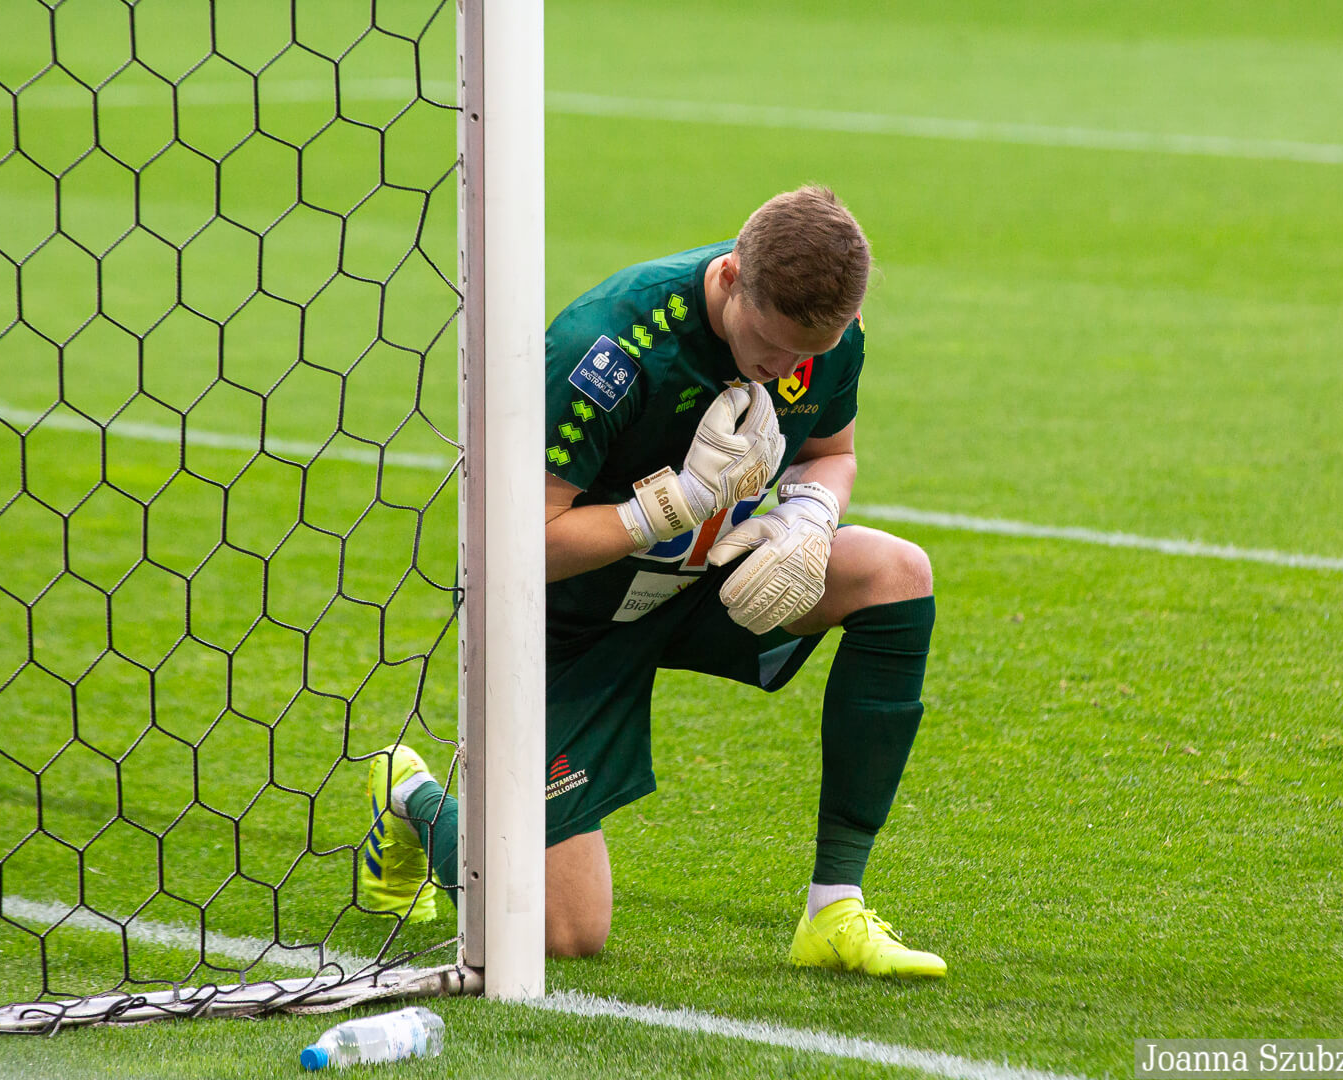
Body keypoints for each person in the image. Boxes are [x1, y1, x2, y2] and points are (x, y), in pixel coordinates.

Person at [360, 186, 944, 978]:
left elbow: (829, 454)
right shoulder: (607, 350)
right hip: (560, 624)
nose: (788, 371)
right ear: (733, 277)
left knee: (895, 572)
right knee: (566, 932)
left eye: (808, 356)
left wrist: (809, 518)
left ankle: (833, 909)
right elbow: (509, 547)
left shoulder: (825, 337)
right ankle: (411, 800)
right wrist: (675, 504)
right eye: (772, 350)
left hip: (704, 583)